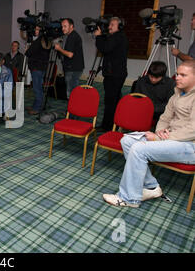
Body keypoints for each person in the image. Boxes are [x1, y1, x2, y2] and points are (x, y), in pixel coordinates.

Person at [103, 60, 195, 208]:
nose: (177, 77)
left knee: (139, 149)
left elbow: (192, 129)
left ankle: (129, 199)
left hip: (190, 145)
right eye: (177, 74)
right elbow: (165, 117)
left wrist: (159, 137)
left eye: (183, 75)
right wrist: (159, 132)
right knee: (127, 141)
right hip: (172, 138)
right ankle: (152, 187)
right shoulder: (177, 94)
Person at [95, 17, 129, 131]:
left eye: (112, 25)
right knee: (114, 101)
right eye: (110, 24)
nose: (109, 27)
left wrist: (98, 36)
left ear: (119, 26)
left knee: (110, 102)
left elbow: (105, 48)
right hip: (115, 74)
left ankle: (108, 127)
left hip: (114, 75)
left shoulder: (117, 37)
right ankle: (115, 124)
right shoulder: (117, 37)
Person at [23, 26, 52, 115]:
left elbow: (28, 53)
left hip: (36, 68)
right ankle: (37, 105)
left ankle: (36, 108)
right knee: (39, 87)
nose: (35, 31)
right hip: (42, 67)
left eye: (37, 29)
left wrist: (27, 49)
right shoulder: (47, 40)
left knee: (37, 88)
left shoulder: (38, 41)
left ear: (41, 31)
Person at [54, 18, 85, 99]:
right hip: (72, 68)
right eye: (62, 26)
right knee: (72, 91)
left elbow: (70, 55)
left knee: (71, 93)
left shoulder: (72, 37)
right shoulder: (70, 35)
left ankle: (72, 111)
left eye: (65, 26)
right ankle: (71, 111)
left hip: (73, 69)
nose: (63, 28)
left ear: (71, 26)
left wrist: (59, 49)